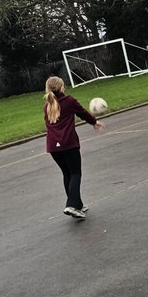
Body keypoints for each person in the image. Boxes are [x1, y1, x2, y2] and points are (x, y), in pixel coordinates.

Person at [43, 76, 104, 220]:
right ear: (62, 87)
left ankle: (78, 205)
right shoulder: (69, 101)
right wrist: (94, 122)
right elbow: (82, 112)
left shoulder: (47, 106)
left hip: (53, 147)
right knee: (75, 173)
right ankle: (71, 205)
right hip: (68, 144)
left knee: (67, 174)